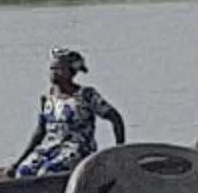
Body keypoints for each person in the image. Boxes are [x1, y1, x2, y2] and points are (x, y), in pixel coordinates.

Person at [10, 48, 122, 178]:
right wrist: (18, 162)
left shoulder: (86, 95)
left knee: (48, 172)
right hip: (50, 147)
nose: (54, 72)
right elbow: (40, 131)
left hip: (77, 149)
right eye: (52, 68)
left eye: (59, 69)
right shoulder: (47, 97)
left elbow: (115, 118)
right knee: (24, 172)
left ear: (71, 72)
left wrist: (119, 150)